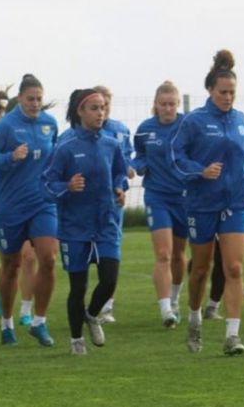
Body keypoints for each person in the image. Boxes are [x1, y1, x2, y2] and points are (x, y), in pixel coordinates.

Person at [171, 49, 244, 355]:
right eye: (223, 92)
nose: (228, 98)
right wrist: (200, 171)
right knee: (200, 268)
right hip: (201, 203)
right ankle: (195, 319)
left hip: (235, 202)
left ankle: (232, 336)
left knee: (234, 268)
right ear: (210, 91)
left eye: (232, 93)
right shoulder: (195, 122)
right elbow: (177, 157)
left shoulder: (240, 120)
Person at [42, 89, 128, 355]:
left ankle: (91, 315)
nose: (100, 113)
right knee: (78, 287)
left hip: (105, 224)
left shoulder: (111, 145)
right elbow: (47, 184)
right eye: (94, 108)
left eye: (102, 108)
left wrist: (120, 189)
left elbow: (120, 174)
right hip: (74, 227)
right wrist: (67, 186)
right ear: (80, 111)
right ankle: (76, 340)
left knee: (109, 280)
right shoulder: (65, 147)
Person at [0, 74, 59, 347]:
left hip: (42, 203)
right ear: (20, 99)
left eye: (39, 99)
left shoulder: (49, 124)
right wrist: (9, 157)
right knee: (11, 266)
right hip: (10, 207)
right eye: (31, 99)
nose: (36, 104)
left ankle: (39, 322)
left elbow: (57, 157)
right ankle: (6, 324)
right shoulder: (6, 126)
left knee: (48, 259)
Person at [132, 81, 188, 328]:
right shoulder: (145, 129)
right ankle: (165, 309)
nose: (168, 109)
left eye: (172, 104)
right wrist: (136, 166)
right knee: (163, 254)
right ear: (155, 105)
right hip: (157, 197)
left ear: (177, 104)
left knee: (178, 254)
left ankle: (175, 299)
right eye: (163, 104)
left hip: (185, 197)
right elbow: (139, 155)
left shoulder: (188, 126)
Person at [94, 85, 134, 323]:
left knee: (112, 249)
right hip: (90, 203)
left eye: (106, 105)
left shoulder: (120, 130)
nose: (103, 110)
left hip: (115, 199)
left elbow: (127, 159)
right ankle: (88, 302)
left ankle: (107, 305)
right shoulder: (83, 132)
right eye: (98, 106)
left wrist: (128, 171)